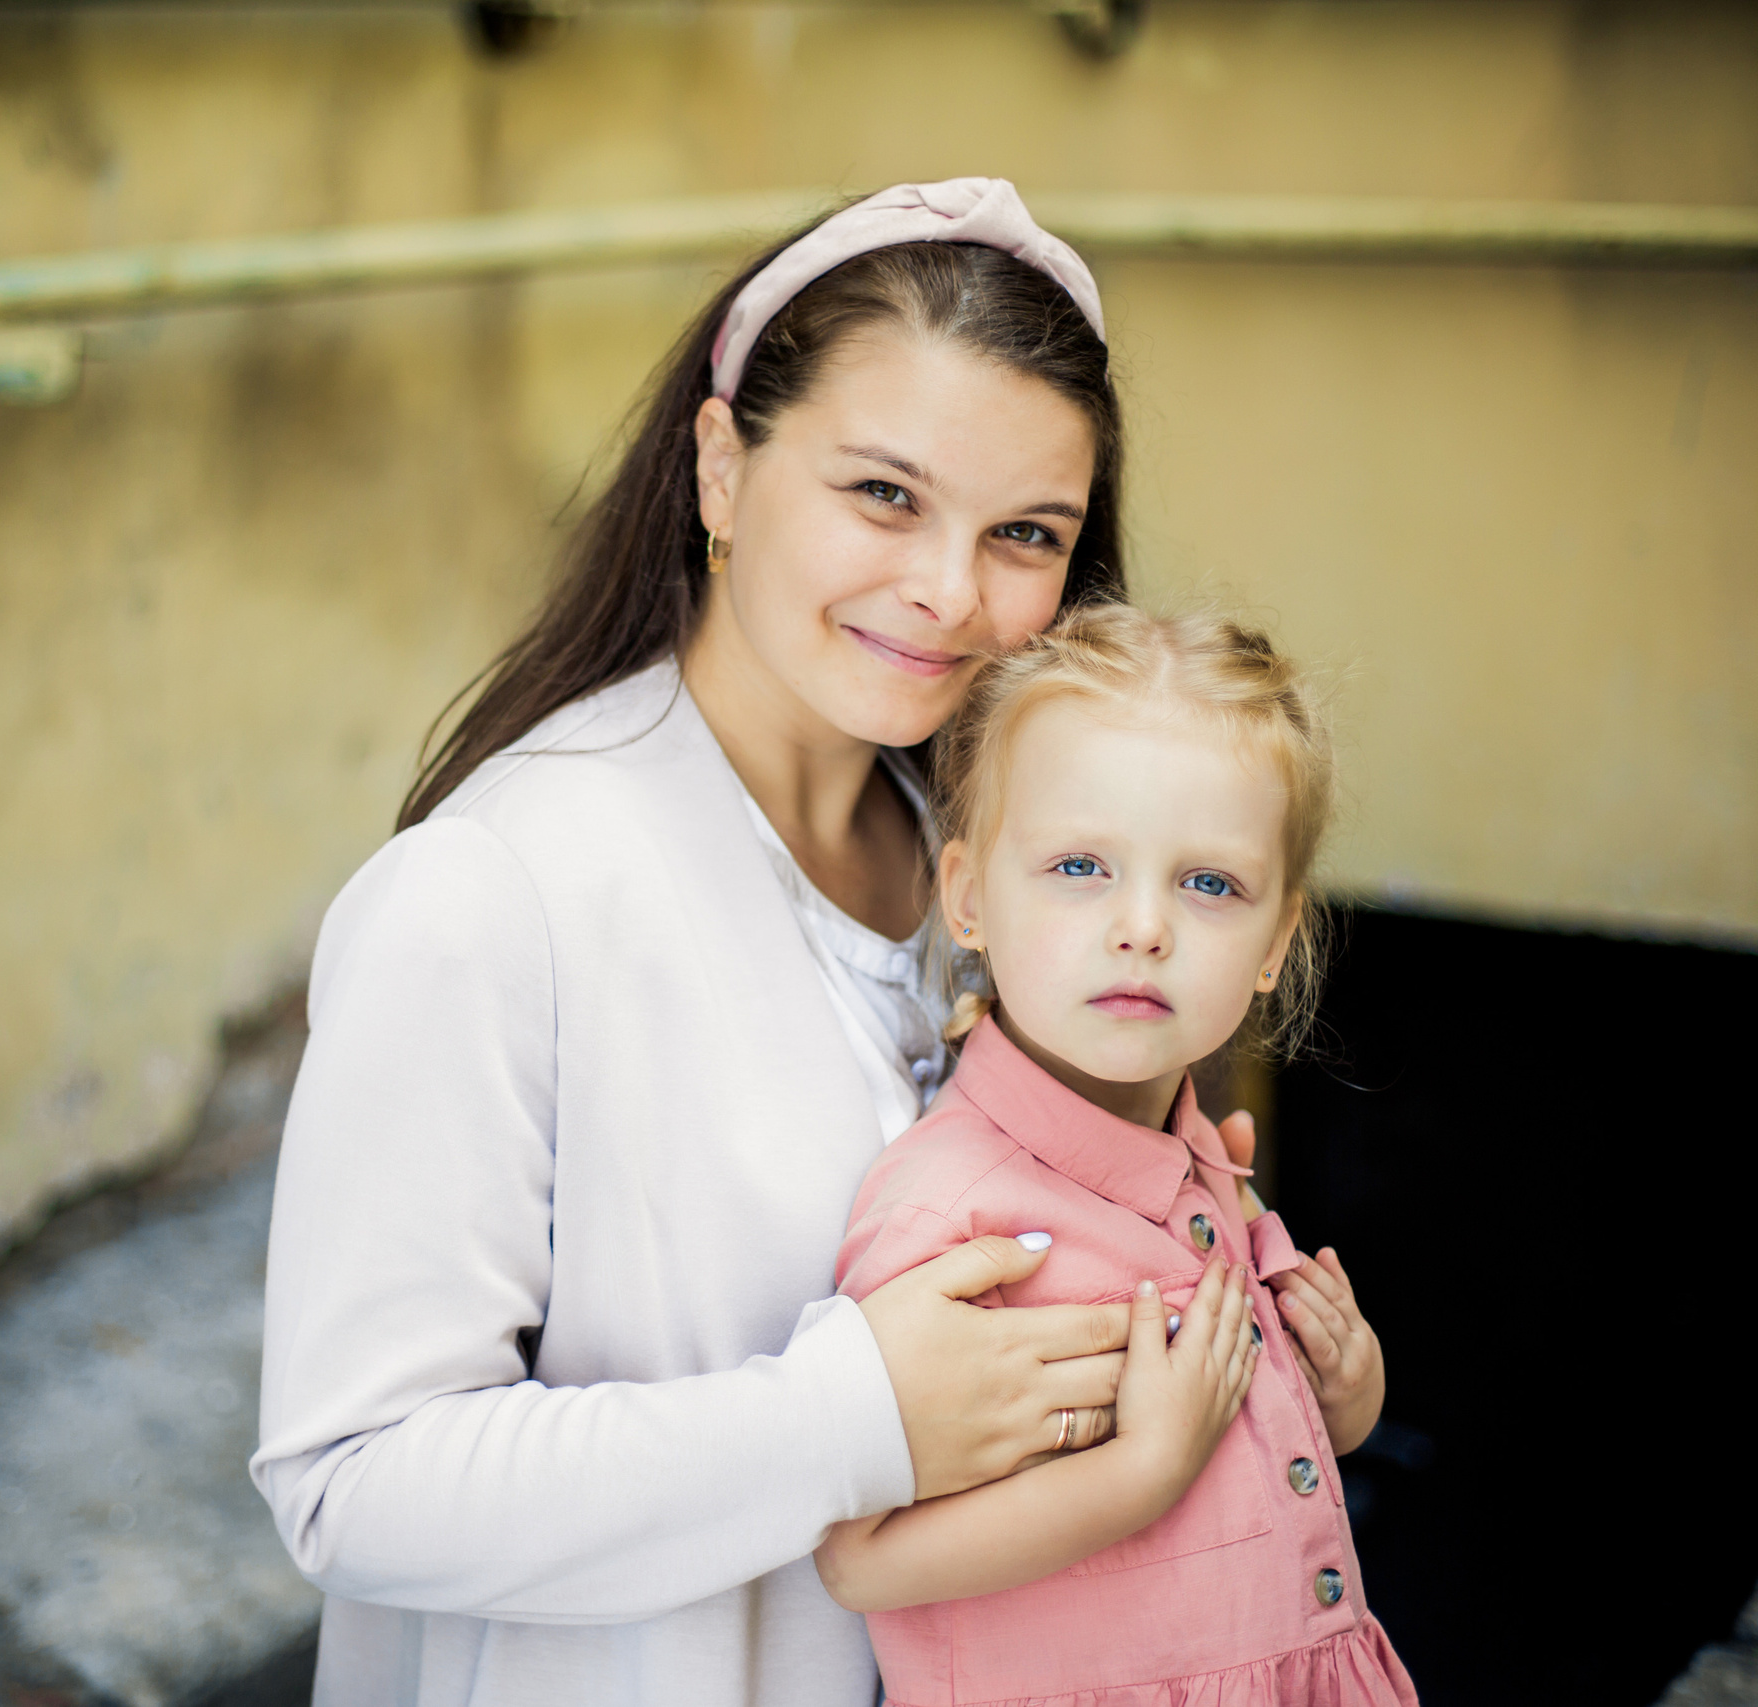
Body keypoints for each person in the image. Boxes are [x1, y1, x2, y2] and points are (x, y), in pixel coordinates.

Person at [252, 180, 1166, 1705]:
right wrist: (850, 1418)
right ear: (722, 466)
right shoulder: (493, 892)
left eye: (1025, 532)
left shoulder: (997, 869)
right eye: (883, 493)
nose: (950, 588)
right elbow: (352, 1481)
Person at [819, 604, 1416, 1705]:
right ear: (967, 898)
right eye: (1081, 865)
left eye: (1208, 884)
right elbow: (860, 1554)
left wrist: (1343, 1400)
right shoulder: (956, 1218)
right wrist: (1139, 1472)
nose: (1143, 926)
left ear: (1278, 939)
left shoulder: (1202, 1169)